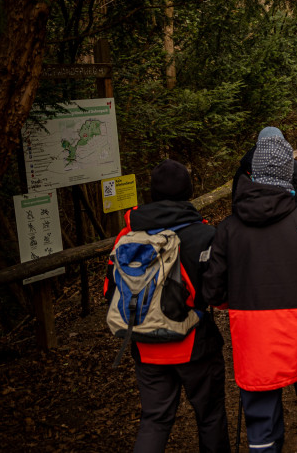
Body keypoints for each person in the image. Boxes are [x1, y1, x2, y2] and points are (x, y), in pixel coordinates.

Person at [204, 127, 297, 453]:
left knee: (262, 433)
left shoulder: (227, 230)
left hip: (253, 346)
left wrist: (242, 300)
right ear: (288, 172)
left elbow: (214, 292)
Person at [106, 159, 230, 453]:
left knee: (154, 420)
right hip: (194, 346)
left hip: (145, 346)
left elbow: (109, 291)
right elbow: (220, 296)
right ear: (189, 190)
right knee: (210, 417)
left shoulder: (127, 236)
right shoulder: (203, 235)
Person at [232, 130, 297, 216]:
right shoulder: (293, 165)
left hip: (254, 224)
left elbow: (237, 204)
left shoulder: (243, 171)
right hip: (289, 222)